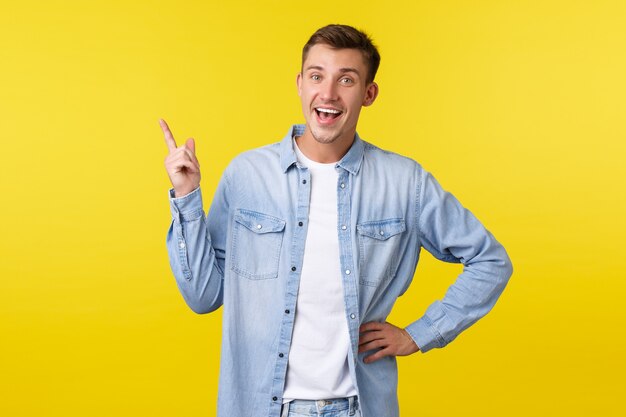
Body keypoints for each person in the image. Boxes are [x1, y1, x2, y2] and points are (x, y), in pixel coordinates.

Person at [161, 24, 512, 417]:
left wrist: (419, 334)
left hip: (357, 407)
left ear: (369, 94)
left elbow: (490, 260)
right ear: (299, 84)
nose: (327, 94)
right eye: (316, 76)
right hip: (261, 406)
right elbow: (203, 297)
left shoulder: (403, 182)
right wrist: (187, 196)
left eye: (346, 79)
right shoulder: (247, 176)